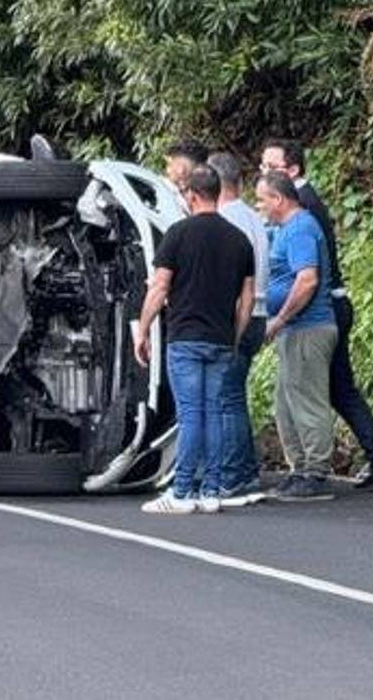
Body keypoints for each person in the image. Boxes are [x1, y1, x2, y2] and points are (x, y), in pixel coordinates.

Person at [261, 139, 373, 492]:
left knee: (324, 390)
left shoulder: (303, 209)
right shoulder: (294, 210)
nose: (264, 174)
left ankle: (325, 466)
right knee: (333, 389)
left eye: (271, 168)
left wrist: (280, 317)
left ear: (291, 173)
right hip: (315, 311)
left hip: (321, 311)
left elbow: (309, 276)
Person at [134, 166, 256, 514]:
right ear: (217, 193)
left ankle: (183, 490)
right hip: (220, 338)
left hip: (185, 337)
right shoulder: (239, 240)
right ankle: (212, 489)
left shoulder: (178, 234)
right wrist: (235, 335)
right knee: (215, 413)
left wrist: (142, 330)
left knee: (191, 415)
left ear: (191, 195)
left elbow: (159, 287)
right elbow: (246, 299)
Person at [257, 171, 338, 501]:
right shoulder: (283, 230)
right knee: (286, 402)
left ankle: (316, 471)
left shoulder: (302, 228)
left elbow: (306, 280)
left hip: (308, 327)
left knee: (307, 401)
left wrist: (279, 319)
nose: (259, 206)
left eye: (262, 199)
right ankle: (300, 467)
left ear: (278, 199)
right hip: (293, 330)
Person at [206, 152, 270, 506]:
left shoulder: (226, 220)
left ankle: (233, 475)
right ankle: (246, 471)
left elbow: (231, 279)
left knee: (226, 400)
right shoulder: (253, 218)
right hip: (260, 314)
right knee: (235, 397)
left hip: (238, 315)